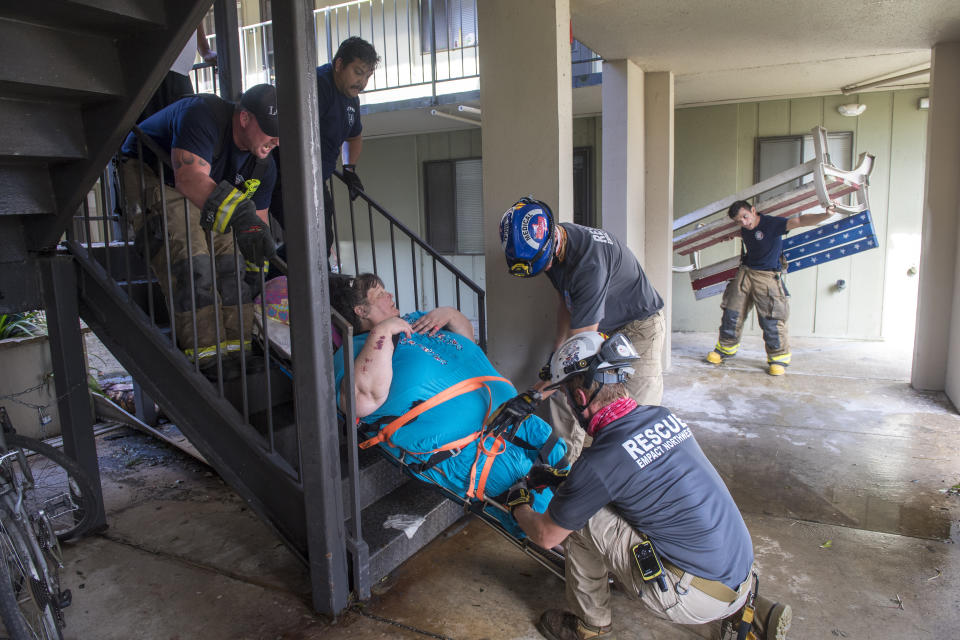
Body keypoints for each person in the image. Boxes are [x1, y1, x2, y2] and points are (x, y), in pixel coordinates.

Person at [505, 331, 792, 640]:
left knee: (576, 520)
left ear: (580, 398)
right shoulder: (661, 416)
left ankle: (590, 625)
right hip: (737, 571)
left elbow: (546, 536)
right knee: (594, 505)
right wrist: (555, 478)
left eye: (566, 396)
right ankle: (746, 613)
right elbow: (622, 479)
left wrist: (518, 503)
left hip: (692, 596)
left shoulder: (599, 462)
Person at [330, 273, 568, 537]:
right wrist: (383, 331)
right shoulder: (355, 350)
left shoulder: (413, 319)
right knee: (544, 511)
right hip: (473, 451)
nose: (389, 295)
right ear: (360, 310)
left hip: (515, 417)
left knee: (567, 467)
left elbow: (465, 340)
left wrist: (450, 314)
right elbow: (360, 402)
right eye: (379, 294)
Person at [120, 83, 279, 377]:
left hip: (201, 184)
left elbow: (257, 221)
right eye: (270, 129)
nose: (276, 140)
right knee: (194, 261)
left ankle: (237, 350)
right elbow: (190, 178)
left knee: (232, 263)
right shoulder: (202, 115)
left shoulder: (264, 165)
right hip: (155, 172)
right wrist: (242, 218)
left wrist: (258, 263)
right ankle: (207, 357)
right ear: (245, 118)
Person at [500, 197, 665, 462]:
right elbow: (566, 302)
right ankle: (561, 468)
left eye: (546, 263)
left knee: (635, 411)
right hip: (602, 326)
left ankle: (633, 482)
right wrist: (556, 352)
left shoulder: (589, 264)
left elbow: (579, 359)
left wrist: (534, 394)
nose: (548, 269)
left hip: (638, 326)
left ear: (553, 241)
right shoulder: (551, 242)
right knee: (563, 397)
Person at [270, 37, 379, 258]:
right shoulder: (315, 86)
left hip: (316, 179)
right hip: (287, 176)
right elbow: (294, 132)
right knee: (308, 239)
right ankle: (273, 279)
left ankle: (301, 281)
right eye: (358, 72)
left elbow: (354, 137)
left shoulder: (351, 99)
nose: (363, 82)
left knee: (322, 241)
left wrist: (349, 169)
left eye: (367, 76)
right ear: (339, 65)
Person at [705, 200, 836, 376]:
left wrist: (826, 215)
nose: (743, 222)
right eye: (738, 221)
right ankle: (725, 349)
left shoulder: (773, 224)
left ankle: (778, 358)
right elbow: (746, 234)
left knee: (772, 318)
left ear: (753, 210)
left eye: (745, 216)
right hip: (745, 273)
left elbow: (801, 221)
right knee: (732, 312)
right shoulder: (743, 228)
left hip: (767, 277)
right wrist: (733, 235)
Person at [139, 24, 217, 122]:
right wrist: (205, 51)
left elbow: (196, 18)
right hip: (156, 70)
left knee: (184, 123)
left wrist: (205, 50)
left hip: (180, 70)